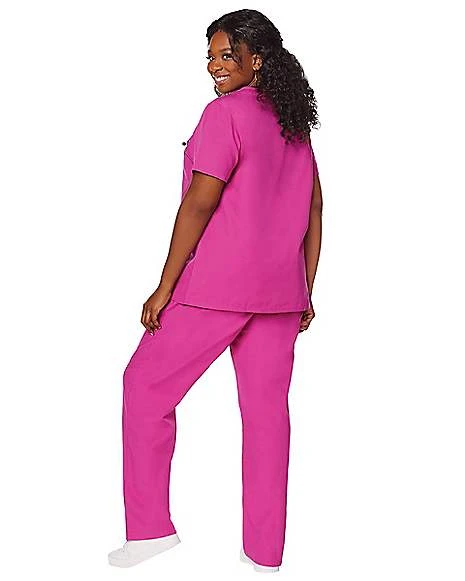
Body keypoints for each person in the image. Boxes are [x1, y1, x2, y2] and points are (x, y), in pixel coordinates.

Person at [108, 8, 323, 573]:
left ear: (259, 58)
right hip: (280, 296)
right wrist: (304, 287)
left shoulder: (224, 114)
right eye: (210, 56)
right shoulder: (292, 122)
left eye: (228, 55)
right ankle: (265, 555)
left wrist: (164, 286)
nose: (215, 66)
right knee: (267, 419)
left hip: (215, 289)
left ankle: (149, 531)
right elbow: (314, 208)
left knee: (143, 387)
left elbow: (200, 201)